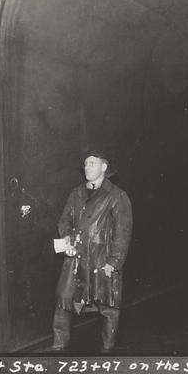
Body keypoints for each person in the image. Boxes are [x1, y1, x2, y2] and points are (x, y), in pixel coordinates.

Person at [52, 150, 133, 353]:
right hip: (76, 258)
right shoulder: (76, 193)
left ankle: (108, 351)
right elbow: (64, 220)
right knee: (64, 301)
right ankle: (58, 348)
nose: (87, 167)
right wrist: (67, 237)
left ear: (104, 167)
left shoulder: (117, 196)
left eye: (92, 163)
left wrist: (114, 262)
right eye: (86, 164)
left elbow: (123, 233)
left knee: (108, 306)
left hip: (101, 259)